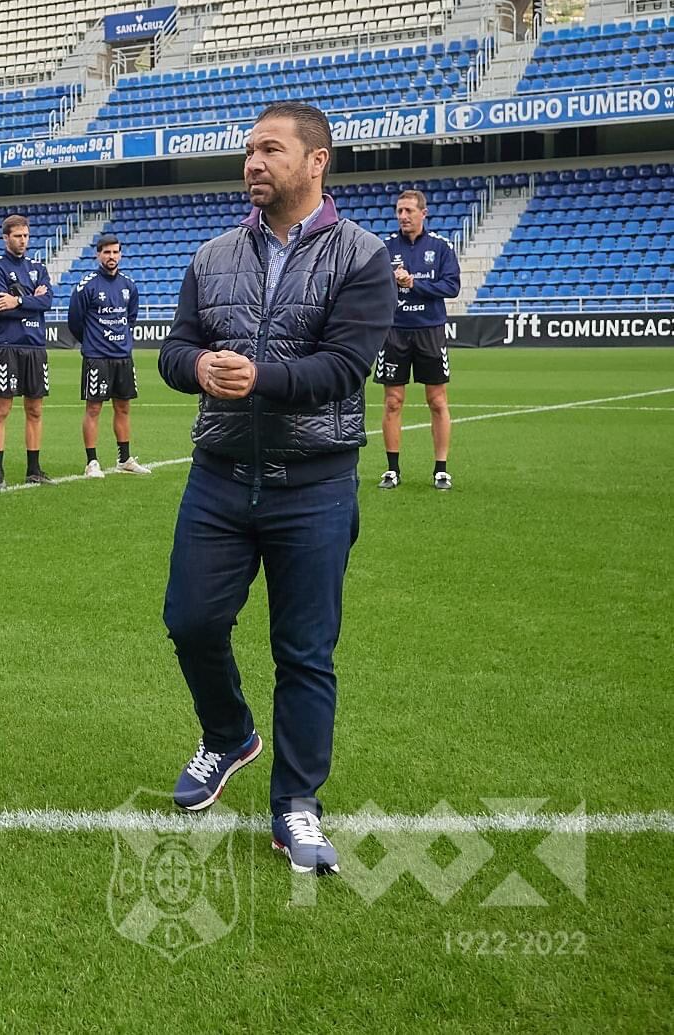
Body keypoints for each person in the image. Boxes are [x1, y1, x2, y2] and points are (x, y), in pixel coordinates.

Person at [157, 101, 395, 877]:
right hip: (220, 476)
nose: (253, 163)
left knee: (304, 651)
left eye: (270, 150)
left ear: (316, 161)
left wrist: (259, 378)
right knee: (190, 621)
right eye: (248, 151)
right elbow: (175, 349)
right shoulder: (212, 254)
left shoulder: (360, 256)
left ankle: (296, 803)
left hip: (315, 484)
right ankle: (228, 734)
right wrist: (196, 368)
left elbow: (344, 368)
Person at [376, 188, 461, 491]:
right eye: (399, 211)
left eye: (409, 211)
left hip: (430, 330)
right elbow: (371, 286)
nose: (403, 216)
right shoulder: (384, 248)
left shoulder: (441, 247)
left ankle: (441, 469)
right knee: (393, 402)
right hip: (395, 330)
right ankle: (392, 469)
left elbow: (452, 287)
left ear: (424, 213)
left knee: (437, 401)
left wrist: (414, 284)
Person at [67, 235, 150, 478]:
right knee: (94, 408)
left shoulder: (128, 285)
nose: (111, 257)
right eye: (106, 252)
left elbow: (130, 318)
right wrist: (92, 342)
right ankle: (91, 462)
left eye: (115, 252)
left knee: (123, 407)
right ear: (98, 255)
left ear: (120, 254)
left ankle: (124, 459)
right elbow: (75, 322)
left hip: (123, 355)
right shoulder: (87, 285)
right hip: (97, 357)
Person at [0, 214, 53, 487]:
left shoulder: (38, 266)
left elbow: (47, 300)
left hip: (35, 345)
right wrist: (30, 298)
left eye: (25, 235)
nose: (23, 240)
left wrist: (19, 299)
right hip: (8, 345)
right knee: (2, 410)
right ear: (6, 238)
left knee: (35, 409)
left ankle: (34, 469)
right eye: (17, 236)